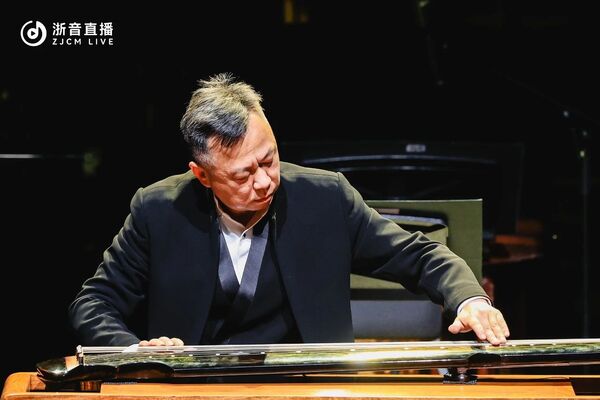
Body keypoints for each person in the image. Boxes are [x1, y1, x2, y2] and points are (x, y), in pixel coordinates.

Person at [69, 73, 510, 348]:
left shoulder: (325, 198)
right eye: (243, 175)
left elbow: (420, 255)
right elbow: (93, 303)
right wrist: (134, 352)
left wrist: (470, 300)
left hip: (307, 384)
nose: (264, 181)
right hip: (191, 388)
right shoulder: (158, 210)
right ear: (202, 175)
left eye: (269, 159)